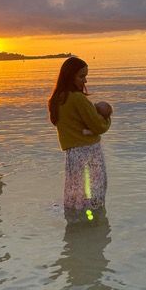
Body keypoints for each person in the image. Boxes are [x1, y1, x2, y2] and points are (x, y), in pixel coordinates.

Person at [48, 57, 112, 218]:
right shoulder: (78, 99)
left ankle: (75, 229)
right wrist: (107, 118)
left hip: (72, 154)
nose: (85, 80)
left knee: (75, 193)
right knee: (95, 191)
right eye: (81, 76)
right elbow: (99, 126)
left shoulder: (57, 99)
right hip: (89, 152)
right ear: (70, 76)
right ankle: (94, 225)